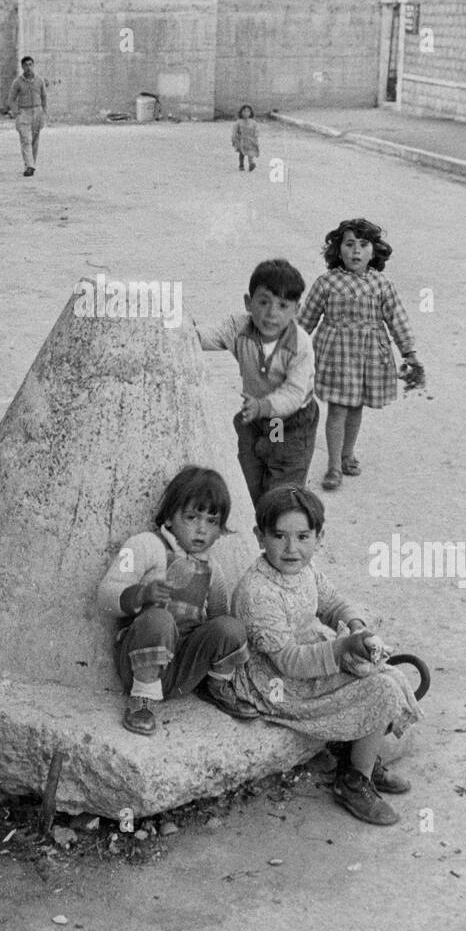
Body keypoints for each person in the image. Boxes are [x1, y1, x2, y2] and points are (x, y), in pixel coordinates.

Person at [227, 485, 421, 826]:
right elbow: (287, 660)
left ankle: (361, 754)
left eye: (303, 536)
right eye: (279, 536)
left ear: (319, 537)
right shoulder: (258, 592)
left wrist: (358, 629)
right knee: (379, 689)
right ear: (260, 537)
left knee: (390, 674)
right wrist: (342, 648)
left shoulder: (306, 571)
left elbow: (332, 603)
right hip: (276, 682)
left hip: (308, 660)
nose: (291, 548)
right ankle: (353, 780)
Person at [97, 466, 257, 736]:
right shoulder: (145, 545)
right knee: (159, 618)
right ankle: (141, 700)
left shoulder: (213, 569)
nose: (201, 530)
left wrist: (219, 645)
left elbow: (219, 621)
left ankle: (216, 687)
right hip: (140, 661)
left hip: (183, 670)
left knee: (230, 627)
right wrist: (141, 594)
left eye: (212, 521)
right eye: (192, 517)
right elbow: (106, 594)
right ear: (170, 518)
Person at [297, 217, 424, 492]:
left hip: (368, 356)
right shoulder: (327, 282)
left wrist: (409, 352)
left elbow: (397, 318)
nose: (356, 251)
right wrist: (290, 347)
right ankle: (332, 465)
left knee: (355, 406)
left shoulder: (381, 284)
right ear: (337, 250)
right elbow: (306, 319)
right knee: (338, 407)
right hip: (335, 355)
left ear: (374, 251)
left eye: (363, 245)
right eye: (349, 244)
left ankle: (347, 454)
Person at [195, 260, 318, 504]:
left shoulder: (299, 345)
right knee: (251, 475)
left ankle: (275, 524)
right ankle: (259, 519)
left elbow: (294, 394)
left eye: (283, 305)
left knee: (283, 481)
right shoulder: (238, 328)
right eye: (263, 302)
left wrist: (262, 406)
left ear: (296, 310)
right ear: (248, 303)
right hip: (255, 419)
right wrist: (180, 330)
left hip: (288, 422)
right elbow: (205, 337)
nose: (272, 313)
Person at [7, 55, 47, 177]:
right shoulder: (17, 82)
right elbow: (11, 99)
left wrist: (44, 112)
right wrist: (15, 112)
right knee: (26, 140)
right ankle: (29, 166)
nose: (28, 67)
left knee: (34, 141)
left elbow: (44, 96)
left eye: (30, 64)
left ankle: (31, 164)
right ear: (22, 67)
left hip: (37, 111)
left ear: (33, 65)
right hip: (24, 113)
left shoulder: (39, 80)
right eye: (26, 65)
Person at [231, 104, 259, 172]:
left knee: (250, 153)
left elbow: (256, 130)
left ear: (250, 113)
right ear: (241, 112)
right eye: (244, 111)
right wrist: (234, 138)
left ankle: (251, 164)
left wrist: (255, 136)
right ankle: (241, 165)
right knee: (242, 153)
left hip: (250, 140)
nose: (246, 113)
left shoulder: (253, 122)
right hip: (241, 140)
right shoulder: (239, 122)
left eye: (248, 111)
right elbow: (234, 130)